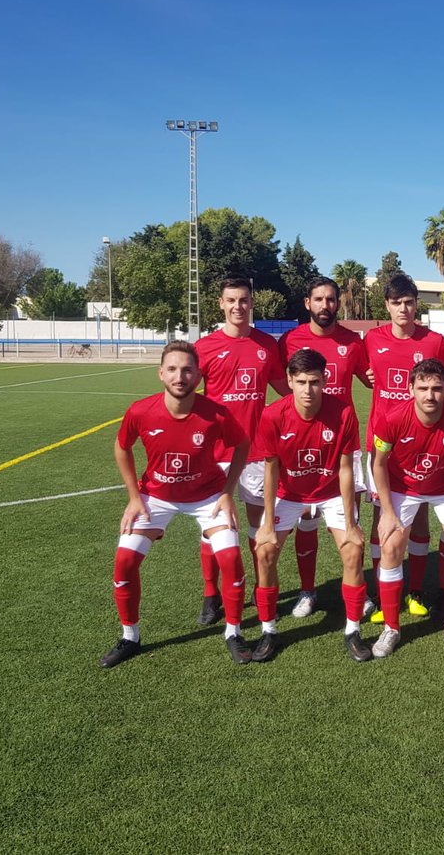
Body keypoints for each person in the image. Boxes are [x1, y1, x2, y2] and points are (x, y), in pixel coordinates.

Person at [100, 341, 251, 669]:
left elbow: (242, 445)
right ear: (160, 373)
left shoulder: (215, 413)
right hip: (156, 497)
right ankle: (130, 637)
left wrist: (227, 492)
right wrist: (134, 497)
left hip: (208, 497)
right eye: (172, 369)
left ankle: (234, 632)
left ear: (198, 375)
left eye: (187, 370)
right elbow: (122, 446)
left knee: (230, 558)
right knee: (124, 561)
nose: (179, 376)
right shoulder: (141, 411)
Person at [254, 349, 372, 663]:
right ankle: (268, 630)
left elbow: (346, 470)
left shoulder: (343, 413)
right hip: (289, 493)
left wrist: (351, 524)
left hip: (331, 492)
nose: (308, 389)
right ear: (290, 381)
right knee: (264, 551)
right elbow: (271, 470)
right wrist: (267, 525)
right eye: (302, 382)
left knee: (353, 550)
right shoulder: (273, 415)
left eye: (315, 382)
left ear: (325, 380)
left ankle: (353, 630)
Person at [370, 358, 444, 658]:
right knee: (390, 547)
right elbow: (378, 464)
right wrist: (388, 512)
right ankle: (391, 628)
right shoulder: (392, 418)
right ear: (410, 389)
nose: (429, 395)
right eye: (422, 388)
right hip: (402, 487)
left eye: (436, 388)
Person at [194, 278, 289, 626]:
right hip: (215, 452)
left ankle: (261, 586)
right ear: (221, 303)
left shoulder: (267, 344)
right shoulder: (204, 347)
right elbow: (187, 394)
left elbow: (284, 388)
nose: (238, 306)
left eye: (244, 300)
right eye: (231, 300)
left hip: (255, 451)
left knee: (257, 524)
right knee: (213, 526)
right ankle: (211, 595)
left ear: (252, 303)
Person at [278, 277, 373, 618]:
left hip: (344, 443)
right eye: (318, 299)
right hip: (305, 442)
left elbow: (371, 378)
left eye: (331, 299)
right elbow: (283, 383)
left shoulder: (352, 341)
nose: (325, 305)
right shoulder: (290, 340)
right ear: (307, 303)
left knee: (350, 521)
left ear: (338, 303)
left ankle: (357, 590)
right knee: (306, 518)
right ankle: (308, 591)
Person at [363, 273, 444, 623]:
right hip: (383, 445)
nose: (404, 308)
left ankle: (415, 590)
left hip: (425, 443)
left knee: (418, 519)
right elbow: (361, 373)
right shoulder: (372, 339)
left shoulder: (434, 341)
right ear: (387, 305)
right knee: (382, 519)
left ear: (417, 305)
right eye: (397, 303)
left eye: (409, 302)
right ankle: (381, 592)